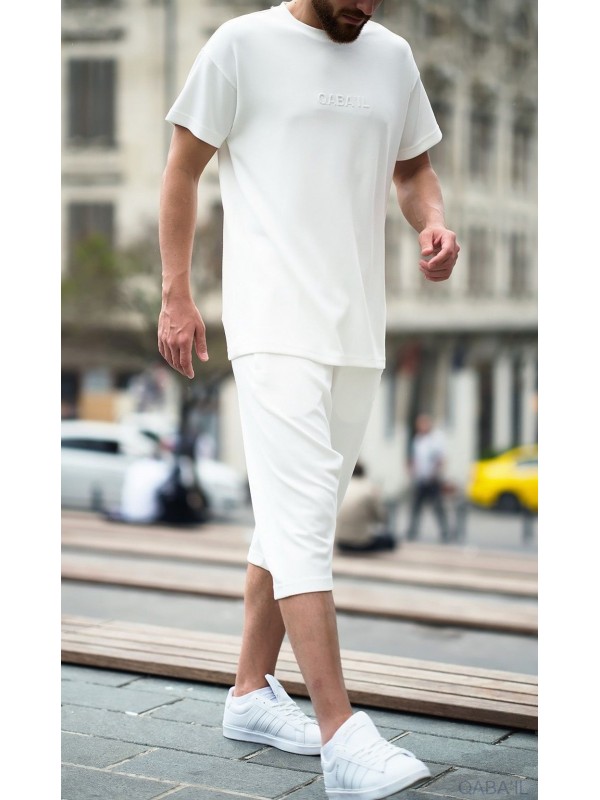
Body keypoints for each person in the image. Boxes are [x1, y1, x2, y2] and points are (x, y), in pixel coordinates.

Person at [158, 2, 460, 797]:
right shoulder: (240, 45)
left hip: (357, 329)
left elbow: (413, 170)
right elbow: (182, 167)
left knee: (301, 516)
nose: (368, 5)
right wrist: (176, 295)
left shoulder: (392, 57)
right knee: (299, 520)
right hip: (271, 323)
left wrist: (432, 223)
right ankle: (340, 735)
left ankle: (250, 692)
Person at [404, 413, 451, 542]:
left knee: (438, 506)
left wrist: (436, 473)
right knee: (415, 506)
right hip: (420, 479)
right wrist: (412, 471)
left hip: (432, 479)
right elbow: (414, 459)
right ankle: (412, 530)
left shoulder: (435, 439)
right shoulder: (417, 440)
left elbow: (440, 459)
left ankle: (445, 531)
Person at [335, 462, 397, 553]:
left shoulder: (342, 485)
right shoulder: (369, 488)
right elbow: (381, 517)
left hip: (339, 541)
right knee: (390, 539)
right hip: (360, 542)